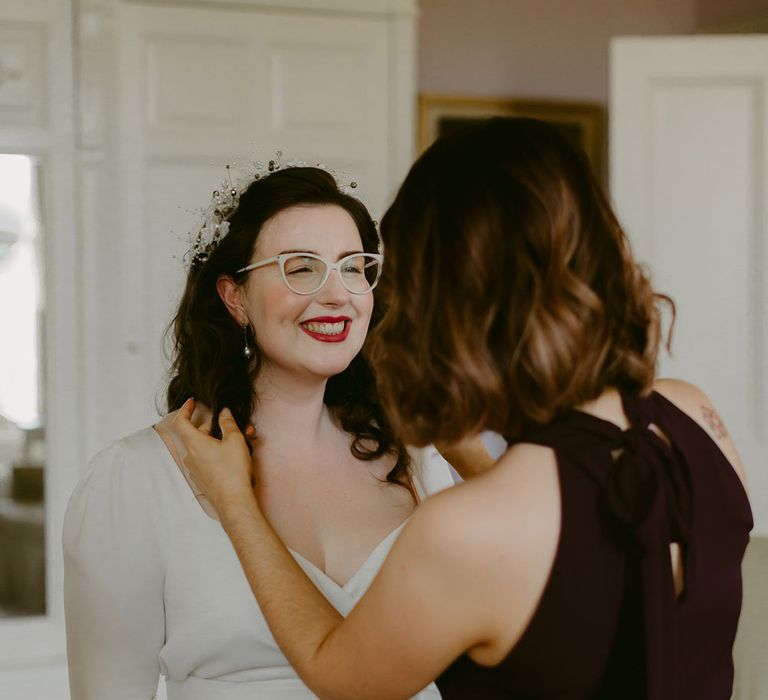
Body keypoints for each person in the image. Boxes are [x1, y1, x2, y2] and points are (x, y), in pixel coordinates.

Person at [176, 118, 754, 700]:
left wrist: (236, 504)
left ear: (445, 297)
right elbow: (592, 559)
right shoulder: (696, 419)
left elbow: (339, 676)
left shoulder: (462, 530)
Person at [62, 164, 453, 699]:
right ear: (235, 298)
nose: (337, 295)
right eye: (300, 268)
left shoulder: (419, 458)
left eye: (354, 267)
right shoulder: (137, 479)